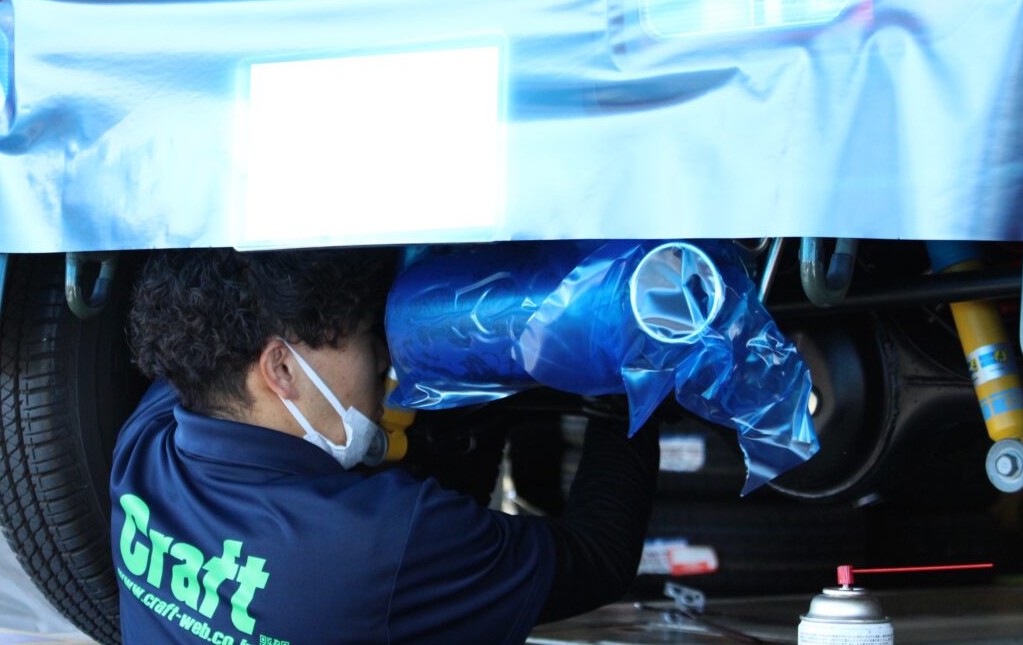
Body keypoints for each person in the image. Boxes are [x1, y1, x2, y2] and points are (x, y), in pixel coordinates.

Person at [113, 247, 659, 645]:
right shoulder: (380, 544)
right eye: (363, 333)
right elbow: (597, 556)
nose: (382, 356)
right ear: (280, 368)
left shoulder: (142, 449)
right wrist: (627, 373)